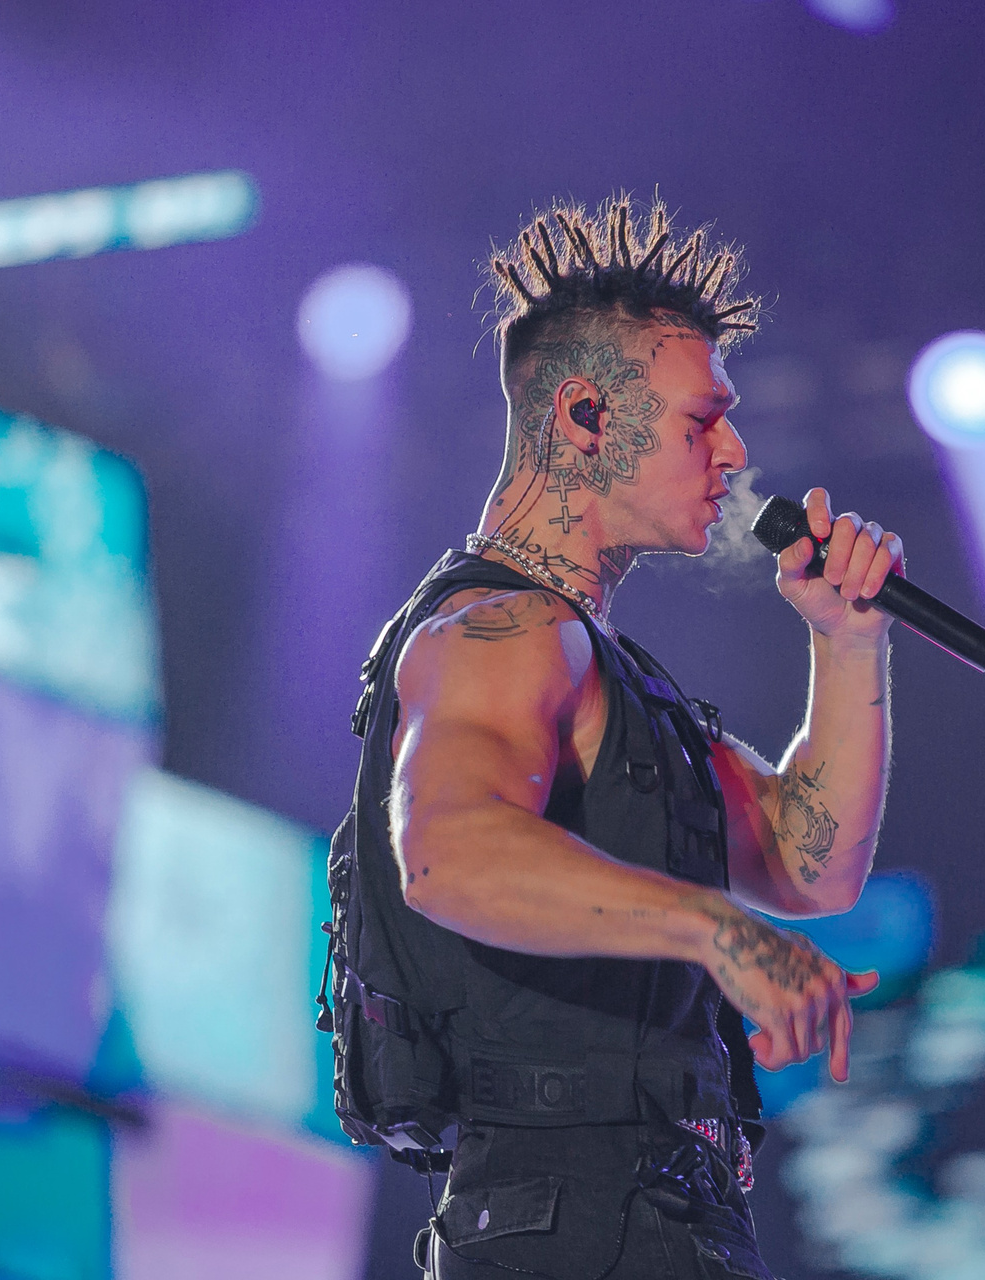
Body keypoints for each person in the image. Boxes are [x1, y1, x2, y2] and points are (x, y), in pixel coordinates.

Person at [326, 196, 900, 1280]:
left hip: (648, 1220)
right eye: (701, 420)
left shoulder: (600, 667)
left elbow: (808, 862)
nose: (735, 450)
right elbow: (448, 852)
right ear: (585, 415)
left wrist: (847, 641)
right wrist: (717, 931)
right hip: (571, 1224)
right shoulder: (503, 630)